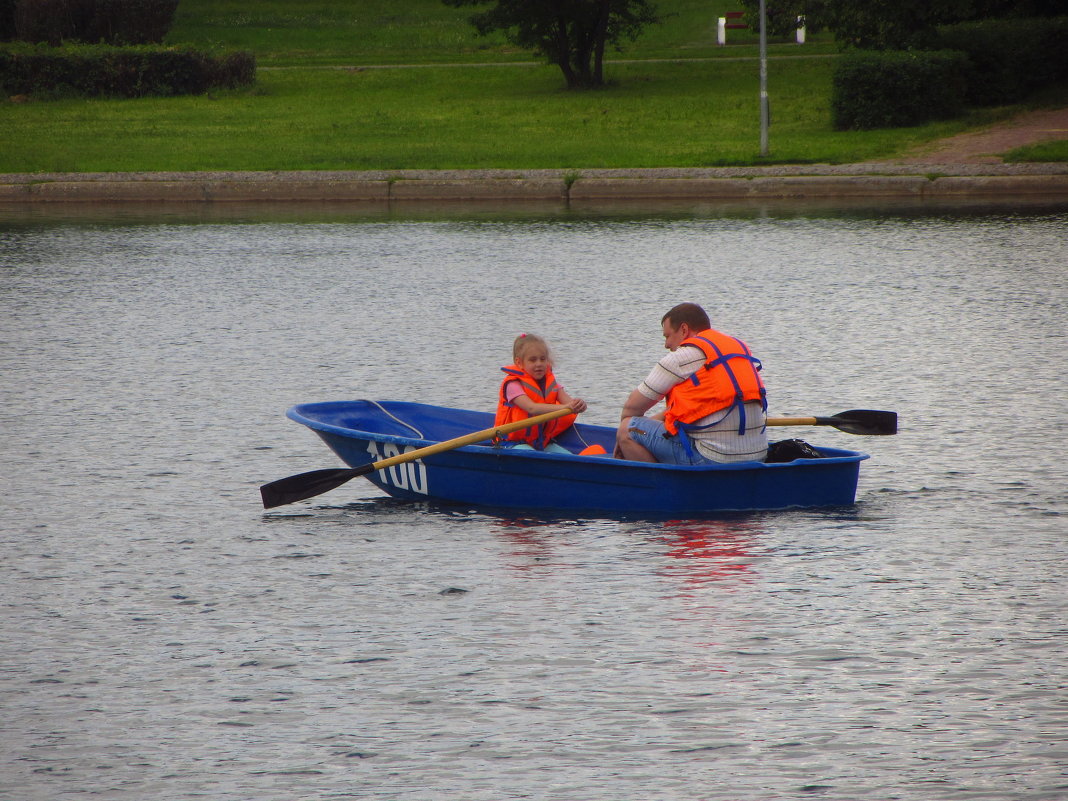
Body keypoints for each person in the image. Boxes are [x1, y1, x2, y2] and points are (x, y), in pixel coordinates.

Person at [615, 303, 768, 464]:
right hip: (758, 455)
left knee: (627, 428)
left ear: (683, 330)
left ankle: (657, 486)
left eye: (667, 336)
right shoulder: (736, 349)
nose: (666, 344)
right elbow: (692, 409)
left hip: (713, 459)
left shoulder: (681, 358)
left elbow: (631, 408)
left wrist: (621, 440)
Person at [495, 333, 588, 454]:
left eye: (542, 359)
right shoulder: (513, 385)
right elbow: (531, 408)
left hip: (540, 442)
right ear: (519, 362)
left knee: (570, 457)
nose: (539, 364)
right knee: (532, 455)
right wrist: (565, 407)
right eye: (533, 360)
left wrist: (579, 405)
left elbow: (570, 403)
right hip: (511, 443)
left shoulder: (550, 383)